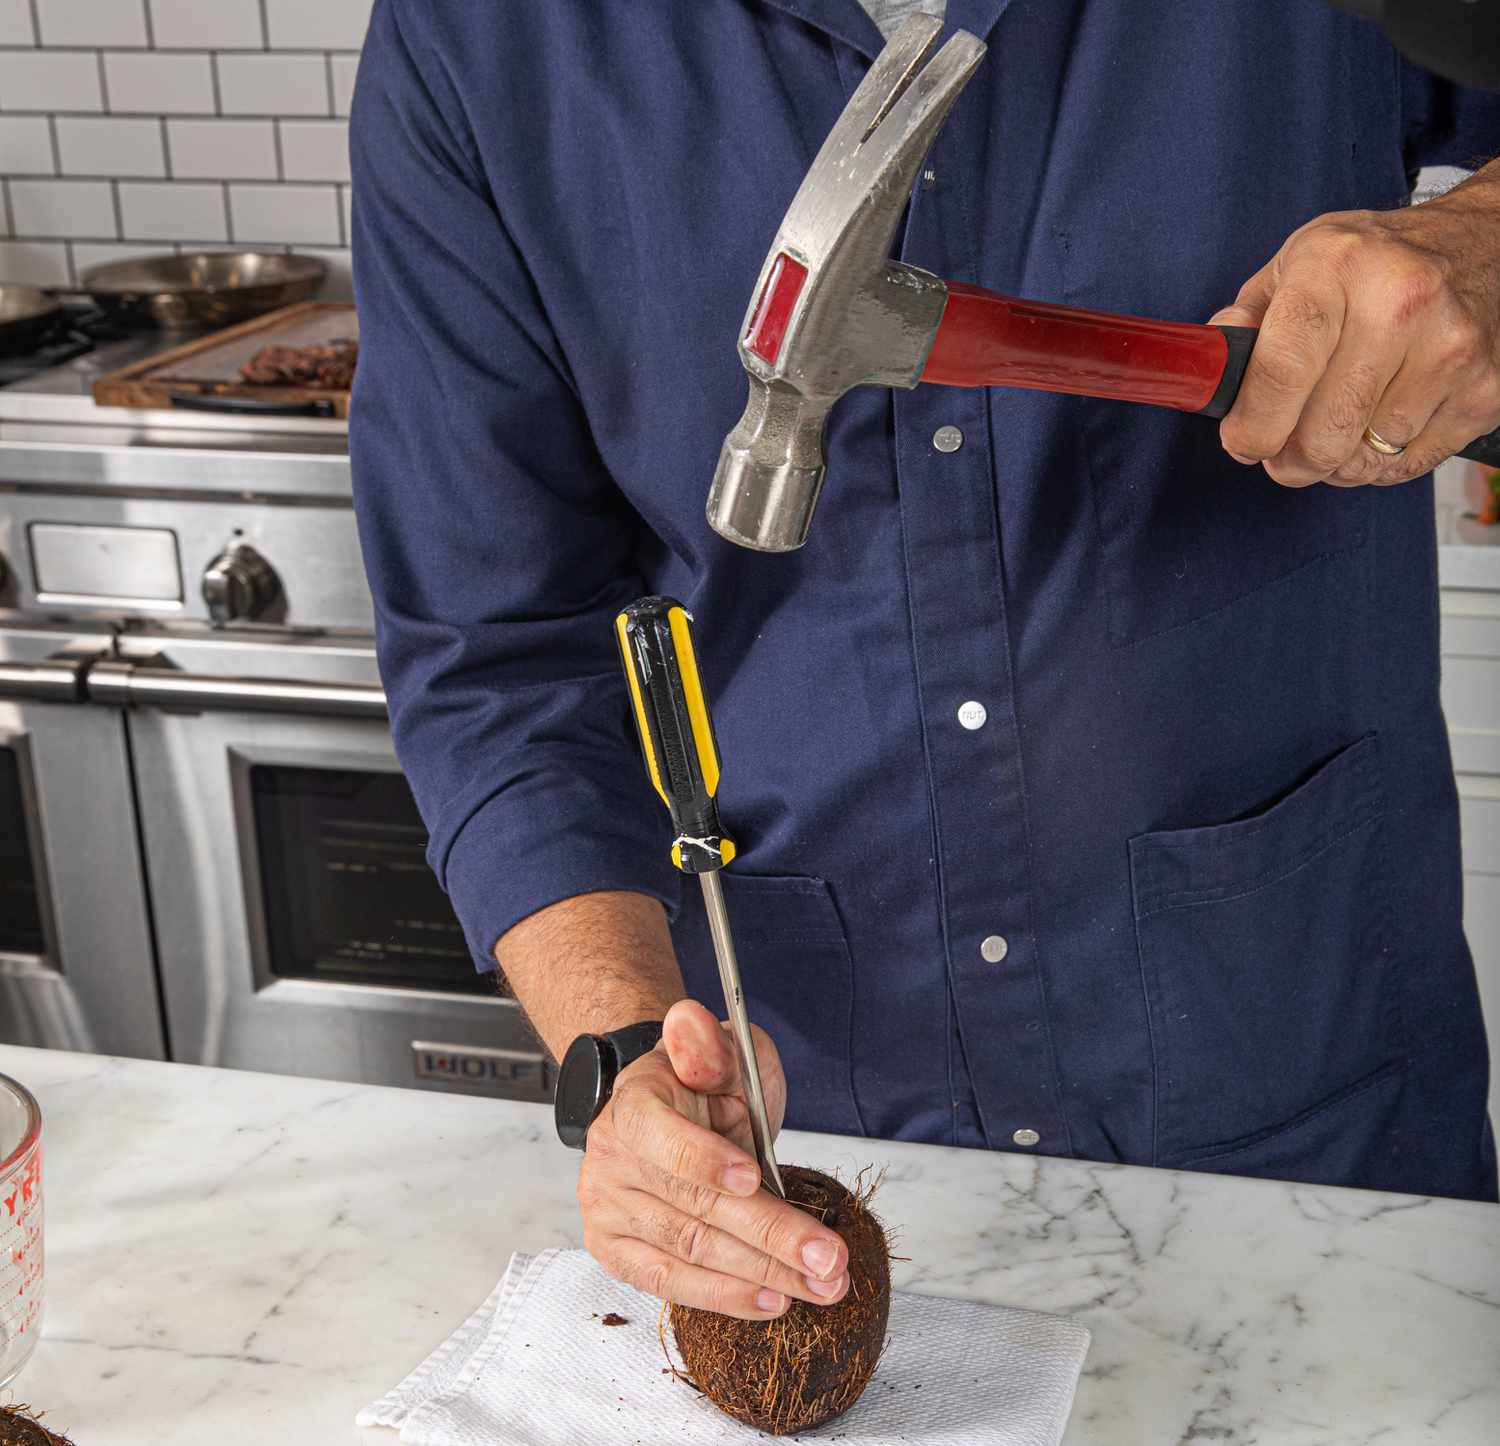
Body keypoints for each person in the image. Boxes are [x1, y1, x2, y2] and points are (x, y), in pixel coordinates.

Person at [349, 0, 1500, 1323]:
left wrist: (1482, 250)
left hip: (1312, 1110)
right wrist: (627, 1053)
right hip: (814, 1181)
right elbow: (494, 658)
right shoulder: (478, 34)